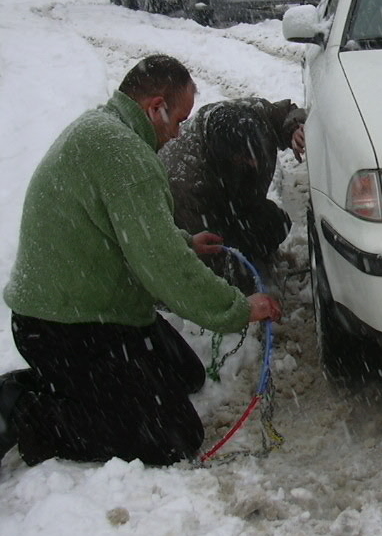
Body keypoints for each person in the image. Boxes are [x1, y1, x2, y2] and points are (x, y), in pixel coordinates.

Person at [0, 55, 283, 468]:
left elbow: (131, 231)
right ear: (155, 108)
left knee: (184, 374)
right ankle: (26, 411)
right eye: (179, 118)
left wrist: (184, 242)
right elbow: (164, 269)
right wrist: (238, 309)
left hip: (94, 306)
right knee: (172, 437)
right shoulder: (123, 155)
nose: (180, 130)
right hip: (65, 325)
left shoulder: (107, 132)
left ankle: (68, 383)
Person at [158, 98, 306, 292]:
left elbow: (286, 113)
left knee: (277, 224)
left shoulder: (253, 116)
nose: (255, 163)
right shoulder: (186, 180)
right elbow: (204, 250)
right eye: (246, 159)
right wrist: (244, 295)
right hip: (209, 221)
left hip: (241, 205)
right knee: (236, 275)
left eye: (257, 153)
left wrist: (295, 128)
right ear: (225, 158)